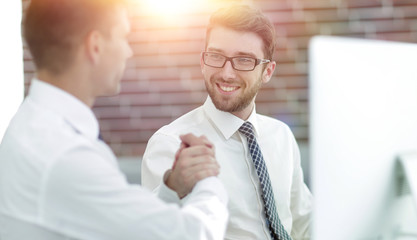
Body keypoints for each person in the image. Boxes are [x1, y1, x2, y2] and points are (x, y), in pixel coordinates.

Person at [0, 0, 228, 239]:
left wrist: (173, 188)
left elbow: (118, 224)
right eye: (123, 37)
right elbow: (190, 235)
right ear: (95, 45)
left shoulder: (31, 123)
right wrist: (209, 181)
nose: (128, 51)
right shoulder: (66, 156)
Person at [142, 4, 313, 240]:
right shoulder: (170, 145)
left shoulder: (281, 135)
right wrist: (173, 186)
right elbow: (152, 231)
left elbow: (303, 222)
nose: (227, 73)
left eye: (244, 60)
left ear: (268, 71)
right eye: (216, 56)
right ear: (203, 61)